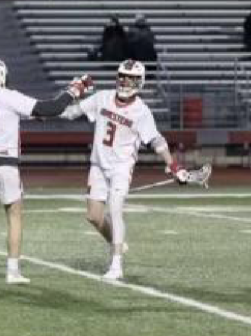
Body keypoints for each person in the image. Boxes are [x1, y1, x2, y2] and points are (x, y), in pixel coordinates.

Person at [0, 57, 93, 284]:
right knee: (14, 216)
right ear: (1, 75)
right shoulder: (8, 95)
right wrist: (74, 90)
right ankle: (13, 271)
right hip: (6, 164)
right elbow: (50, 107)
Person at [60, 59, 188, 280]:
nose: (125, 81)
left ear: (140, 81)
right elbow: (71, 112)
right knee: (93, 216)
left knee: (115, 208)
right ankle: (117, 243)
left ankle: (116, 264)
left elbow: (156, 140)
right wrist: (56, 102)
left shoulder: (141, 111)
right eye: (122, 76)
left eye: (131, 78)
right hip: (98, 165)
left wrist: (173, 165)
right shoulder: (103, 98)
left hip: (121, 166)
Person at [127, 13, 158, 80]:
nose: (141, 21)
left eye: (142, 20)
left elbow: (152, 39)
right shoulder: (132, 29)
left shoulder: (147, 29)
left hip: (146, 51)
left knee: (152, 57)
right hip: (136, 51)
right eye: (140, 20)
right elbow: (128, 40)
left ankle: (149, 73)